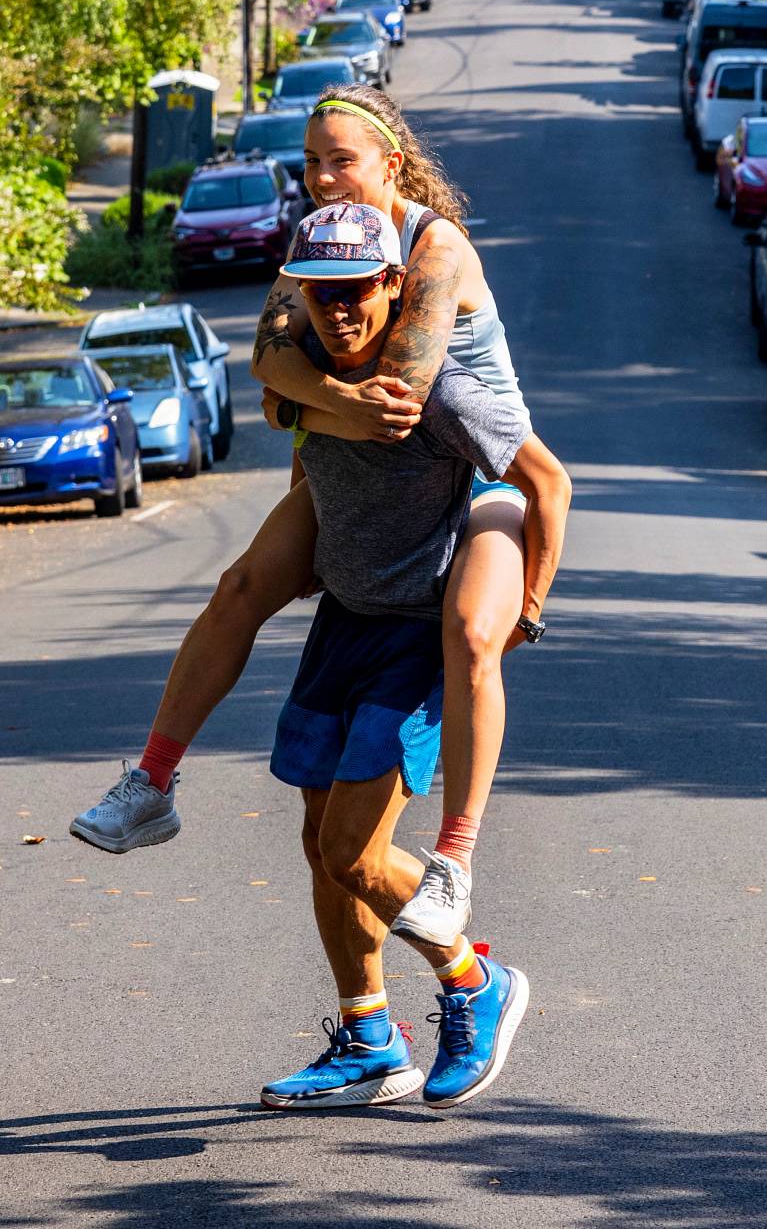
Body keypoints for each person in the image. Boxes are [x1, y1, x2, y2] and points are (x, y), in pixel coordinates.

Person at [72, 86, 543, 952]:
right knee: (242, 583)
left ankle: (456, 855)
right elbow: (266, 357)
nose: (325, 178)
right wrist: (301, 405)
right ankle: (153, 782)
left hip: (468, 465)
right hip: (359, 462)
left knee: (473, 632)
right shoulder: (321, 246)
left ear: (390, 164)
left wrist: (294, 403)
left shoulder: (432, 248)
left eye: (343, 160)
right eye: (312, 163)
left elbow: (395, 395)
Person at [241, 203, 570, 1109]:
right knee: (319, 843)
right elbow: (299, 441)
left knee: (353, 847)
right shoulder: (305, 371)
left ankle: (474, 982)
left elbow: (546, 480)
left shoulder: (438, 390)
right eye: (321, 294)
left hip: (409, 638)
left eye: (357, 291)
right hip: (340, 623)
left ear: (394, 284)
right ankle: (369, 1036)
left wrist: (526, 606)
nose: (339, 310)